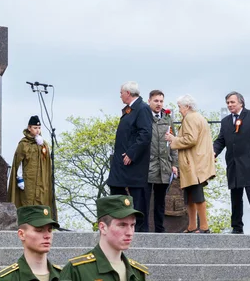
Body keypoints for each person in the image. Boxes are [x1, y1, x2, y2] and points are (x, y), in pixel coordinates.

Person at [213, 91, 250, 235]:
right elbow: (221, 140)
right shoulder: (226, 121)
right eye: (227, 103)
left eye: (232, 102)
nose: (229, 105)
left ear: (241, 102)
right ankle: (237, 227)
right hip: (233, 164)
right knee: (235, 196)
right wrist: (213, 152)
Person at [59, 195, 148, 280]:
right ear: (103, 227)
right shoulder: (77, 270)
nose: (129, 232)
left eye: (132, 225)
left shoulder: (137, 272)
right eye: (122, 225)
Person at [165, 95, 216, 233]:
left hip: (193, 163)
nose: (179, 110)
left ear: (187, 106)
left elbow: (190, 139)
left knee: (197, 195)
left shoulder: (190, 118)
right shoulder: (198, 117)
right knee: (190, 196)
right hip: (196, 161)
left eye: (180, 106)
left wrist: (173, 139)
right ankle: (192, 226)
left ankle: (204, 227)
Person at [107, 81, 153, 232]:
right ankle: (120, 221)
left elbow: (145, 134)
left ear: (127, 93)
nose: (120, 96)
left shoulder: (142, 108)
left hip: (134, 162)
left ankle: (139, 229)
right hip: (121, 161)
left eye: (121, 93)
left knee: (138, 195)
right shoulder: (131, 109)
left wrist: (132, 153)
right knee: (115, 185)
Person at [0, 205, 63, 281]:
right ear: (21, 234)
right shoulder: (7, 279)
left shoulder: (64, 276)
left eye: (50, 230)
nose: (47, 236)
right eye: (39, 230)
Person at [8, 115, 57, 218]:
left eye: (39, 128)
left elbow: (46, 163)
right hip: (28, 180)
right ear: (29, 128)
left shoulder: (43, 144)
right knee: (28, 203)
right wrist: (19, 178)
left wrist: (43, 147)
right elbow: (19, 163)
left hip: (41, 181)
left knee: (41, 202)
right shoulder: (24, 144)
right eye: (35, 128)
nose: (37, 130)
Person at [146, 89, 178, 233]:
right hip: (147, 165)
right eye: (156, 101)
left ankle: (160, 229)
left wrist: (174, 164)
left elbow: (173, 143)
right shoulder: (144, 117)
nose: (159, 104)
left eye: (161, 101)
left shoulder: (167, 118)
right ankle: (143, 228)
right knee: (144, 199)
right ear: (149, 101)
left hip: (164, 166)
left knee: (160, 200)